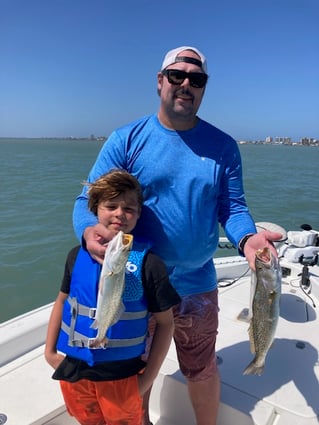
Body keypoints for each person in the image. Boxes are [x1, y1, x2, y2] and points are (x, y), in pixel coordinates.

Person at [72, 46, 283, 425]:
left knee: (201, 367)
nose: (186, 84)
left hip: (197, 283)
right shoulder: (126, 139)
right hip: (136, 282)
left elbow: (232, 208)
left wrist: (248, 239)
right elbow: (86, 198)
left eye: (196, 79)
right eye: (177, 75)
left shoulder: (223, 147)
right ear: (160, 82)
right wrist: (88, 230)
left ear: (204, 88)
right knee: (139, 367)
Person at [45, 169, 181, 425]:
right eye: (111, 206)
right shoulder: (77, 255)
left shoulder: (149, 265)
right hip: (75, 370)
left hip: (123, 375)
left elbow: (166, 323)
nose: (120, 213)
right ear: (95, 209)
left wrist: (148, 378)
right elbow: (62, 301)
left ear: (139, 215)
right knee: (87, 420)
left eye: (130, 208)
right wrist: (50, 352)